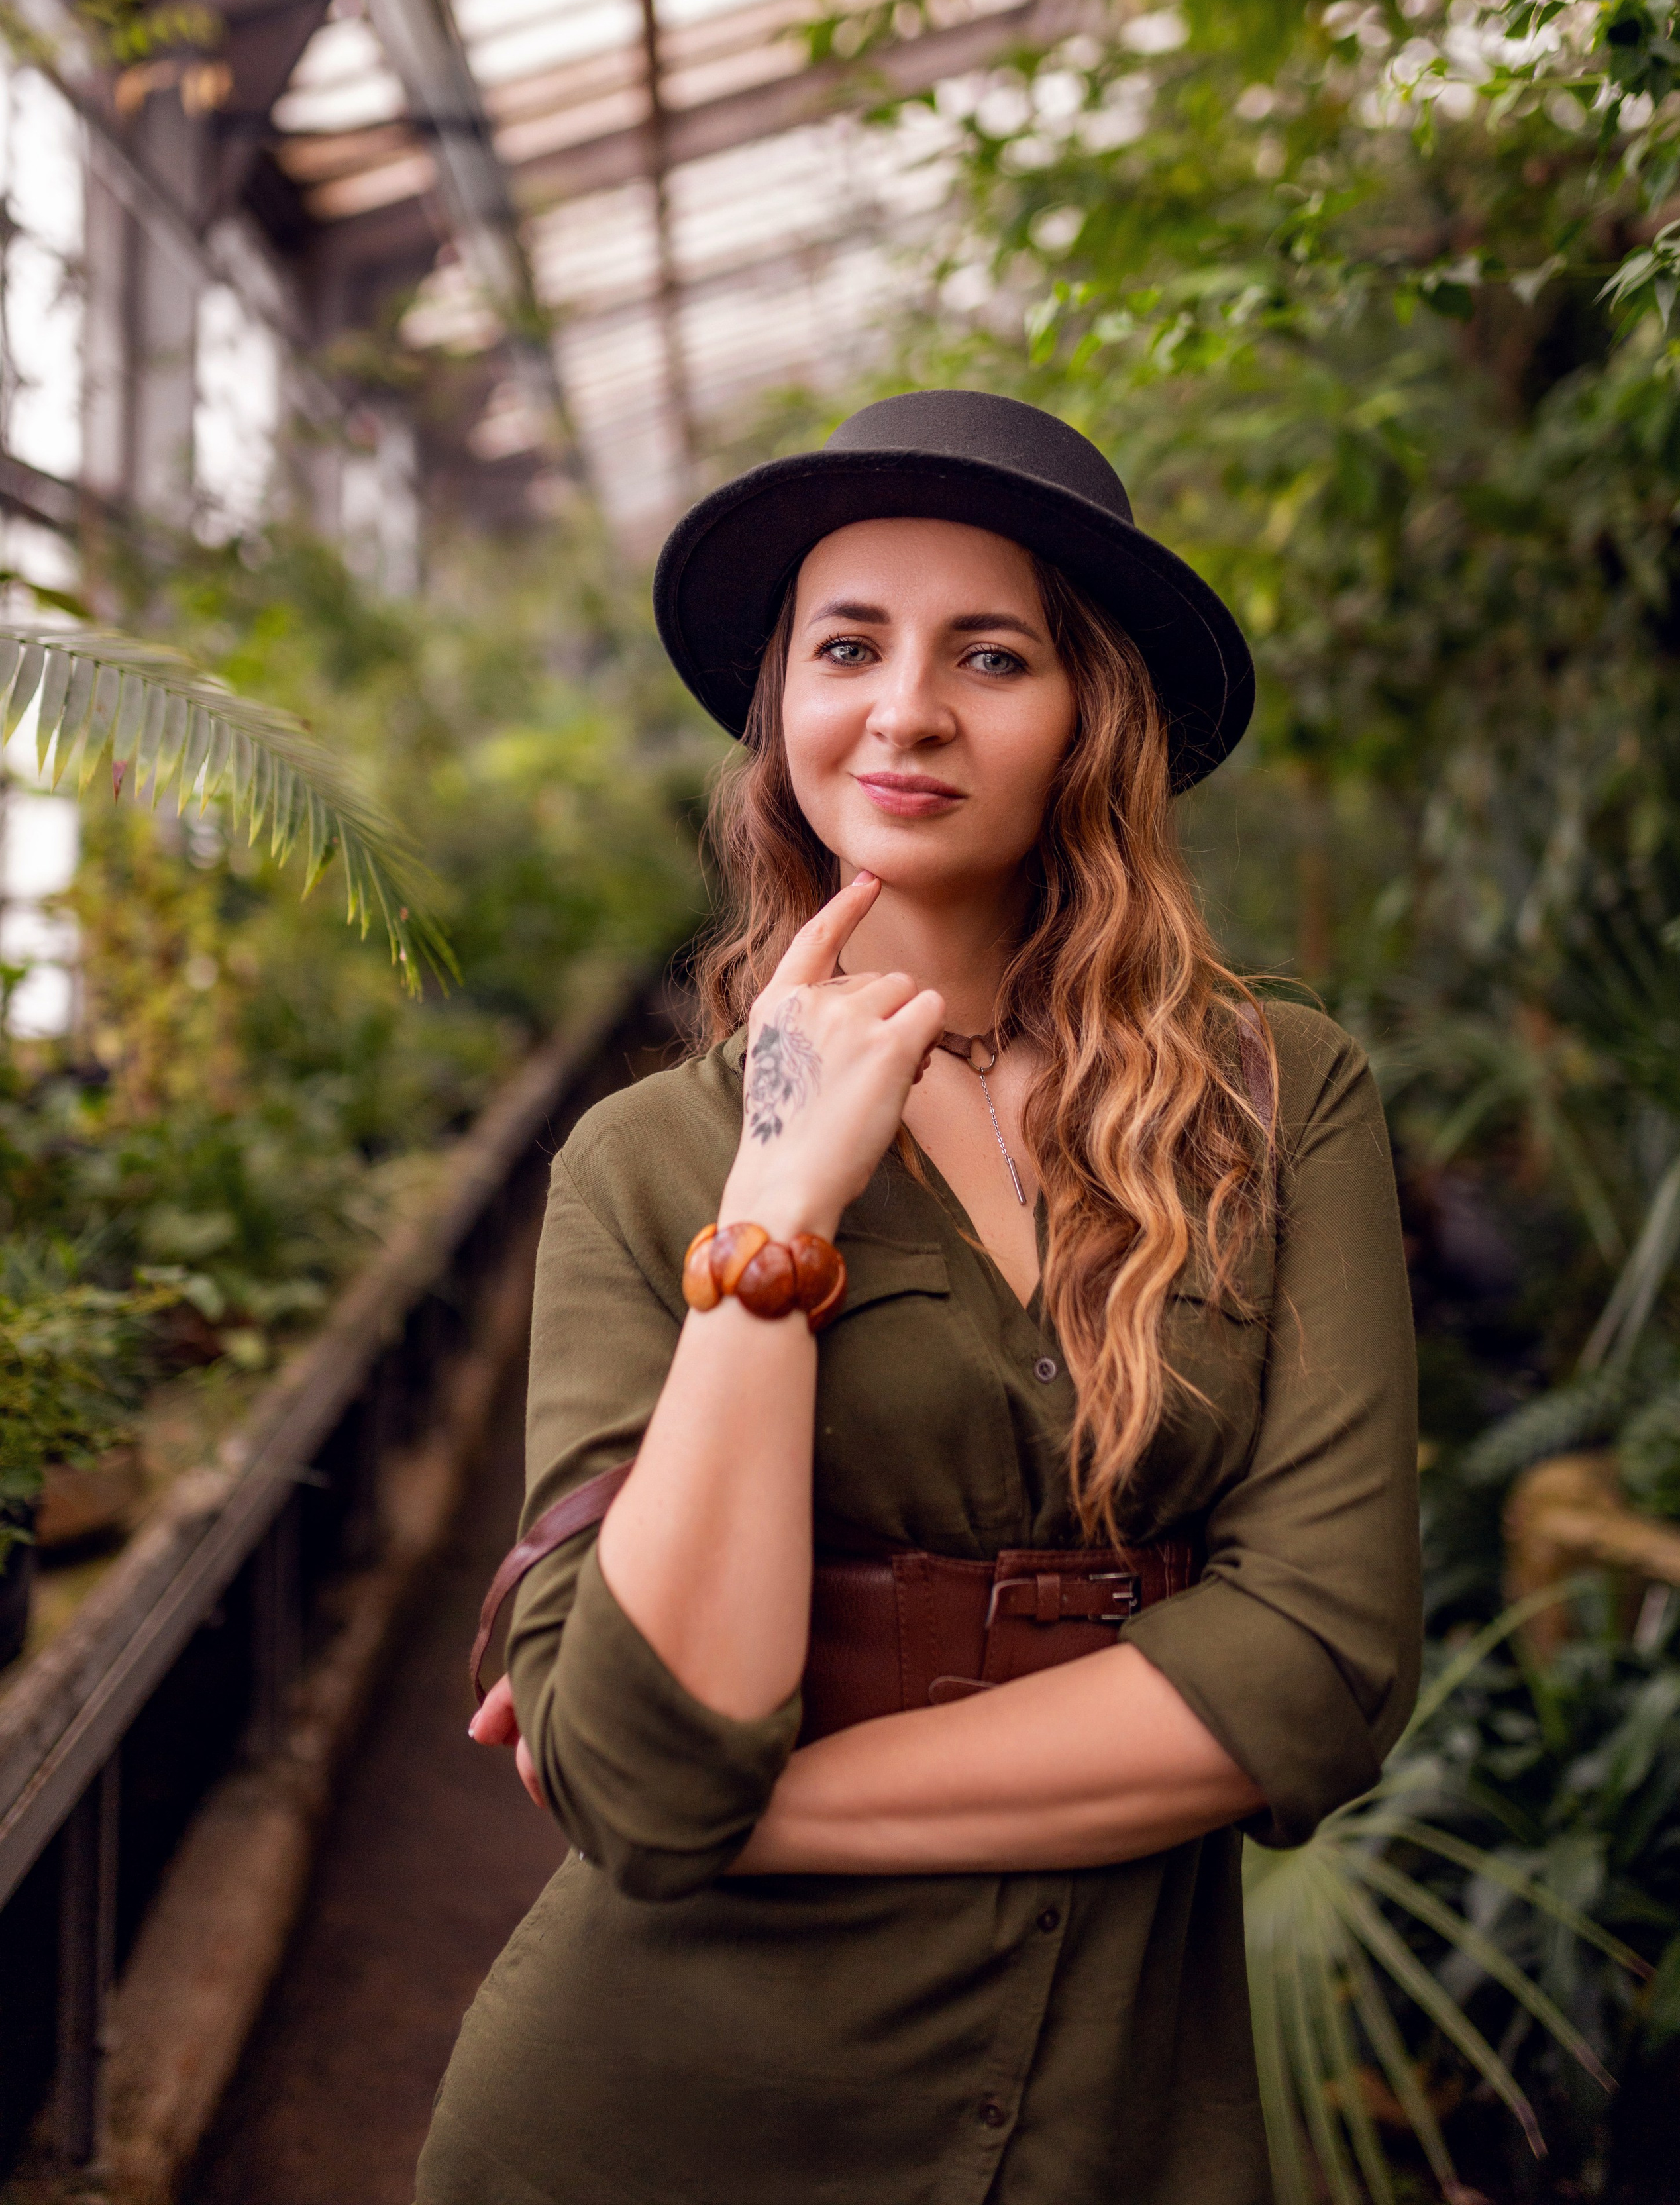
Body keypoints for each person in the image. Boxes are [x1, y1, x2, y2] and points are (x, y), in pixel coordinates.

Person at [419, 390, 1420, 2205]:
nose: (906, 710)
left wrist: (749, 1818)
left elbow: (1326, 1660)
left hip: (1119, 2101)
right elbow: (650, 1748)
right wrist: (781, 1202)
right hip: (656, 2109)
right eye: (849, 647)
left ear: (1087, 718)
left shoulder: (1274, 1098)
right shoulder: (648, 1164)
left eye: (992, 654)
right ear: (782, 708)